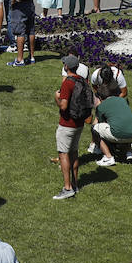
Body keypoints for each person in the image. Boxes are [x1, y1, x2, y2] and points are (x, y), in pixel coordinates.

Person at [54, 53, 91, 199]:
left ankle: (67, 188)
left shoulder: (67, 83)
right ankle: (75, 184)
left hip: (66, 124)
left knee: (63, 154)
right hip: (79, 123)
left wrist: (56, 98)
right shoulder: (82, 80)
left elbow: (63, 106)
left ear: (66, 66)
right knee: (74, 153)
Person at [91, 79, 132, 166]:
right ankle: (129, 154)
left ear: (100, 98)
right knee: (124, 125)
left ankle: (108, 157)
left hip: (121, 134)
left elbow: (99, 123)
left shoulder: (101, 106)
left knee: (95, 129)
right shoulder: (122, 100)